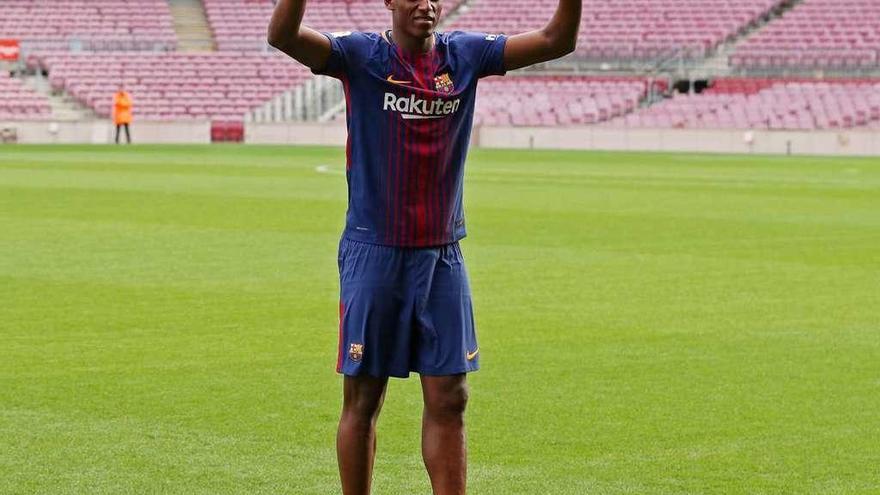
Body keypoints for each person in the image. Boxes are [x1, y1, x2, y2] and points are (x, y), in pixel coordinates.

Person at [268, 1, 581, 493]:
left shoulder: (467, 56)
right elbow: (283, 36)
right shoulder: (360, 56)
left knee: (450, 398)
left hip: (443, 254)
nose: (427, 5)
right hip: (376, 250)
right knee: (364, 398)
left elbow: (555, 40)